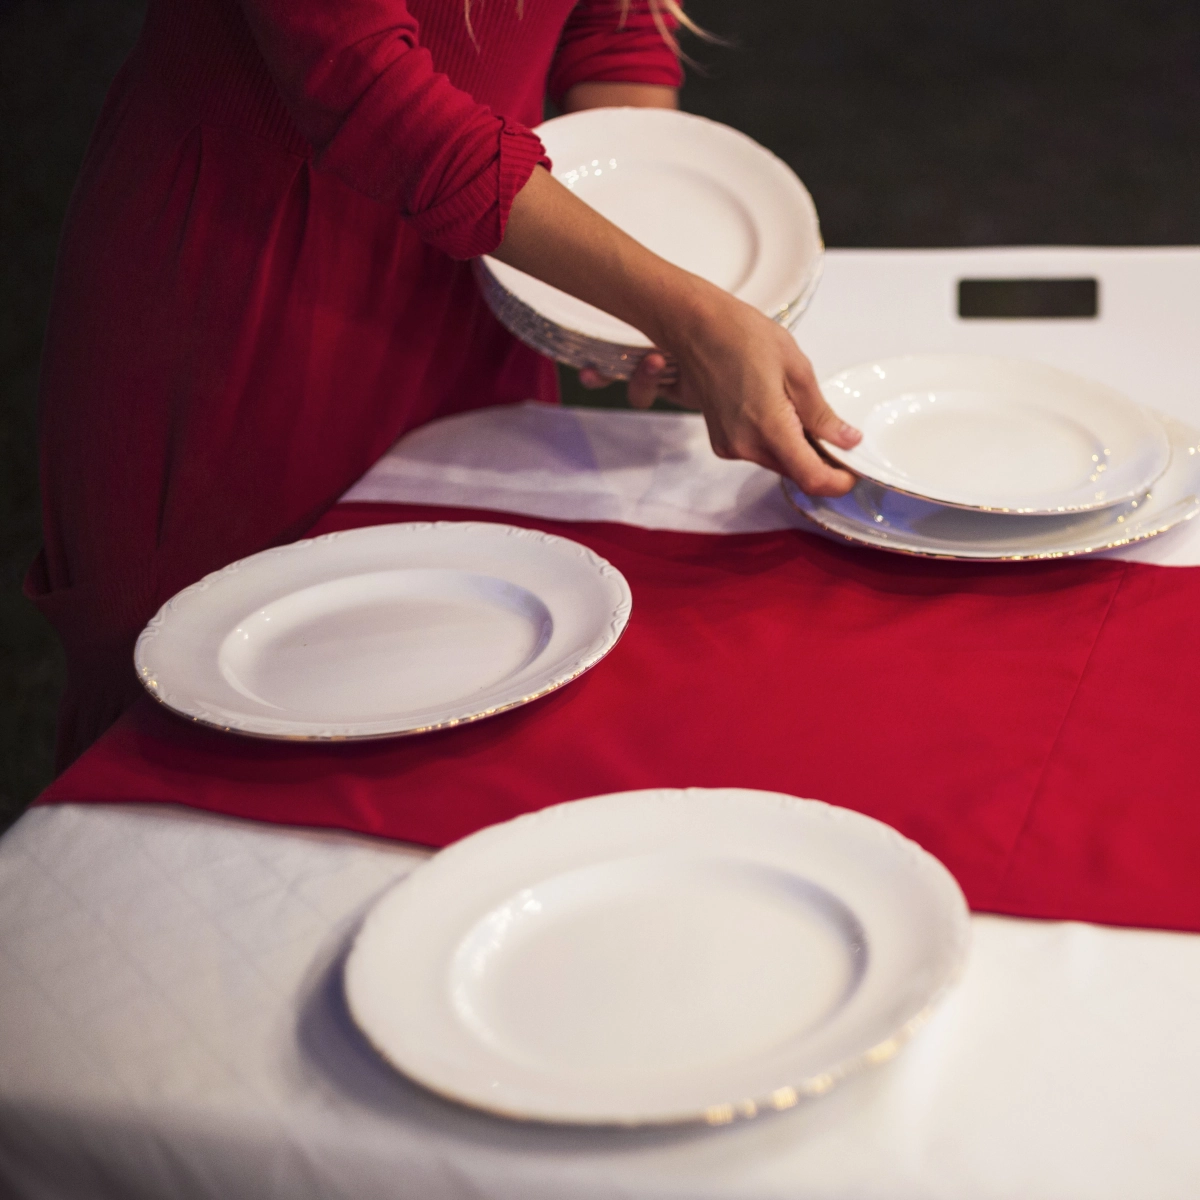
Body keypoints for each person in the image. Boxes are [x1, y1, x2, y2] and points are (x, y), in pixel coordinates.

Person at [27, 0, 862, 771]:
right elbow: (362, 85)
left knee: (463, 679)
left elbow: (612, 24)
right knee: (204, 708)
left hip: (486, 274)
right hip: (254, 294)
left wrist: (634, 270)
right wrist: (682, 312)